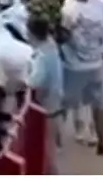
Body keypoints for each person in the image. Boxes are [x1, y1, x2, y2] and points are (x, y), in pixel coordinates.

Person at [59, 0, 103, 155]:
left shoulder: (68, 7)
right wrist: (101, 51)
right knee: (99, 104)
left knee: (65, 103)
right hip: (96, 63)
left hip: (73, 65)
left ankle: (56, 144)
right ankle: (102, 142)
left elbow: (64, 35)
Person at [27, 17, 65, 174]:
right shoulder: (51, 45)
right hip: (56, 100)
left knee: (48, 152)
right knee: (53, 145)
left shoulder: (42, 56)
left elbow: (35, 81)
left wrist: (24, 78)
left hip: (47, 105)